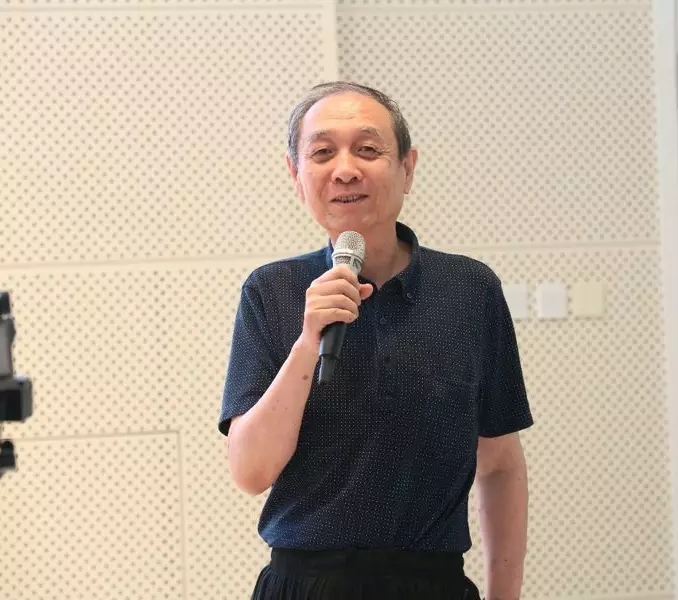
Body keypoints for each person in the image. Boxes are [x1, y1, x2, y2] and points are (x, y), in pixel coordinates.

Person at [218, 81, 534, 600]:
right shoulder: (271, 291)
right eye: (322, 153)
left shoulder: (469, 290)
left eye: (367, 149)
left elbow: (499, 462)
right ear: (296, 176)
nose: (345, 170)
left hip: (430, 584)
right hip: (304, 585)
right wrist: (308, 340)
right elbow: (251, 472)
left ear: (407, 168)